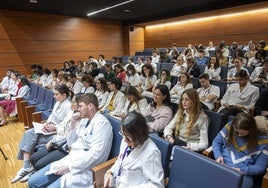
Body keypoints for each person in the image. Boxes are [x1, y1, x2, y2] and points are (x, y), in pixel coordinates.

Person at [28, 93, 113, 188]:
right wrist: (73, 122)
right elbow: (70, 143)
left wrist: (70, 167)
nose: (78, 109)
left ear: (90, 106)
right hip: (70, 159)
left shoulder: (102, 124)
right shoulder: (84, 120)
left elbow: (97, 155)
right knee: (32, 182)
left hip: (84, 169)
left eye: (80, 106)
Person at [11, 84, 72, 183]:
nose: (54, 96)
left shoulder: (68, 106)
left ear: (64, 95)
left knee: (30, 137)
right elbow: (52, 117)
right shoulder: (58, 103)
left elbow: (66, 129)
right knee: (29, 133)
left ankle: (26, 167)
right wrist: (47, 124)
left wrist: (53, 128)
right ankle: (27, 167)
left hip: (57, 135)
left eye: (56, 94)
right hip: (49, 130)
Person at [103, 111, 164, 188]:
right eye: (123, 134)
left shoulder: (151, 153)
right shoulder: (126, 140)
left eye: (128, 137)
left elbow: (157, 185)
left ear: (139, 135)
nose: (125, 140)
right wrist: (111, 172)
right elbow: (120, 161)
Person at [212, 113, 268, 188]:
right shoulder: (230, 126)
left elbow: (260, 168)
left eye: (242, 133)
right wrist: (218, 155)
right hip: (223, 164)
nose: (239, 135)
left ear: (251, 129)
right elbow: (216, 142)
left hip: (243, 172)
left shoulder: (263, 141)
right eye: (237, 132)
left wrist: (241, 170)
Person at [29, 94, 82, 173]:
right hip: (58, 141)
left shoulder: (81, 119)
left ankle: (35, 173)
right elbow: (62, 125)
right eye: (72, 102)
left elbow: (69, 137)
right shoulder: (71, 113)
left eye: (74, 102)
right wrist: (54, 128)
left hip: (65, 147)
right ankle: (32, 171)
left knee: (39, 165)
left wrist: (53, 140)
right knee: (33, 157)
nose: (72, 104)